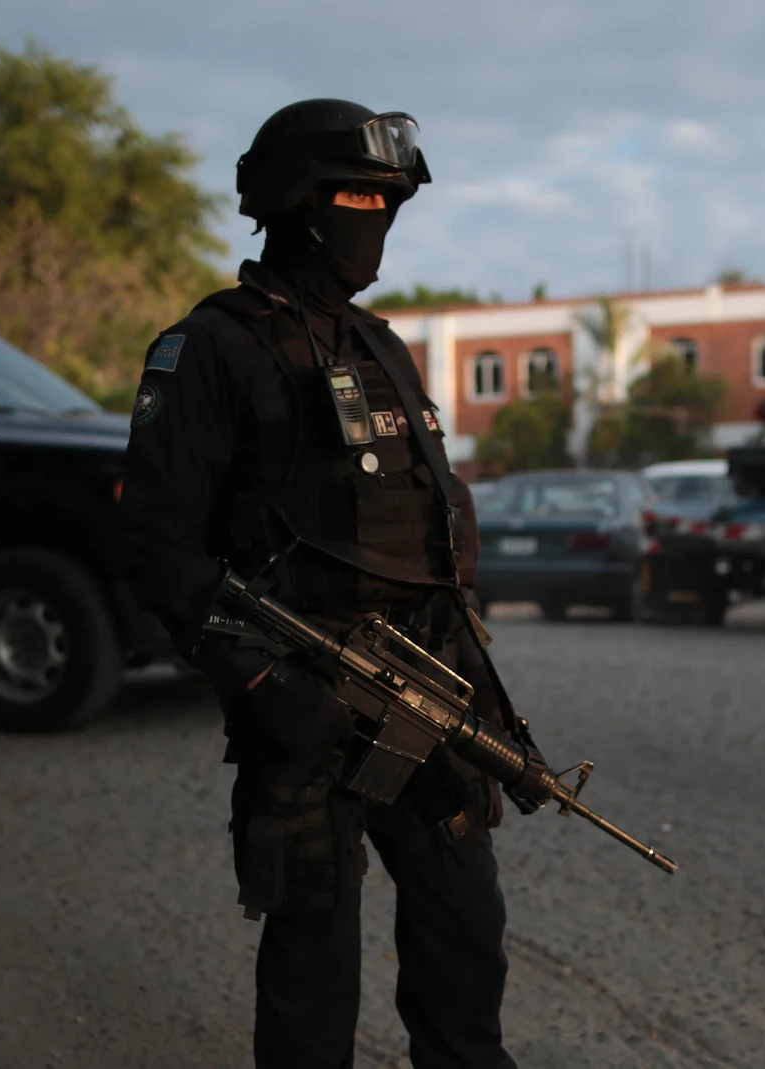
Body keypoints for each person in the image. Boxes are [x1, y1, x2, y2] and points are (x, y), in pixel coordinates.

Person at [117, 99, 523, 1068]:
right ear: (294, 201)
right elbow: (156, 544)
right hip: (303, 692)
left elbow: (423, 521)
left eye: (387, 201)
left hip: (419, 686)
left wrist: (473, 680)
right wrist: (257, 680)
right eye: (355, 195)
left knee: (466, 925)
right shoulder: (209, 347)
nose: (373, 218)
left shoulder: (379, 344)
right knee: (311, 954)